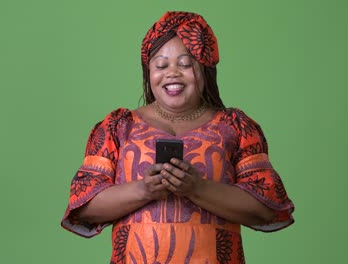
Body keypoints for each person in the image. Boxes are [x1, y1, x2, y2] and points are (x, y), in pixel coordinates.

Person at [61, 11, 295, 263]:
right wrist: (144, 189)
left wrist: (197, 188)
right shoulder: (118, 127)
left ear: (205, 69)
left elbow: (263, 208)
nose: (172, 73)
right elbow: (84, 208)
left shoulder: (236, 128)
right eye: (161, 65)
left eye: (185, 64)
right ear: (148, 71)